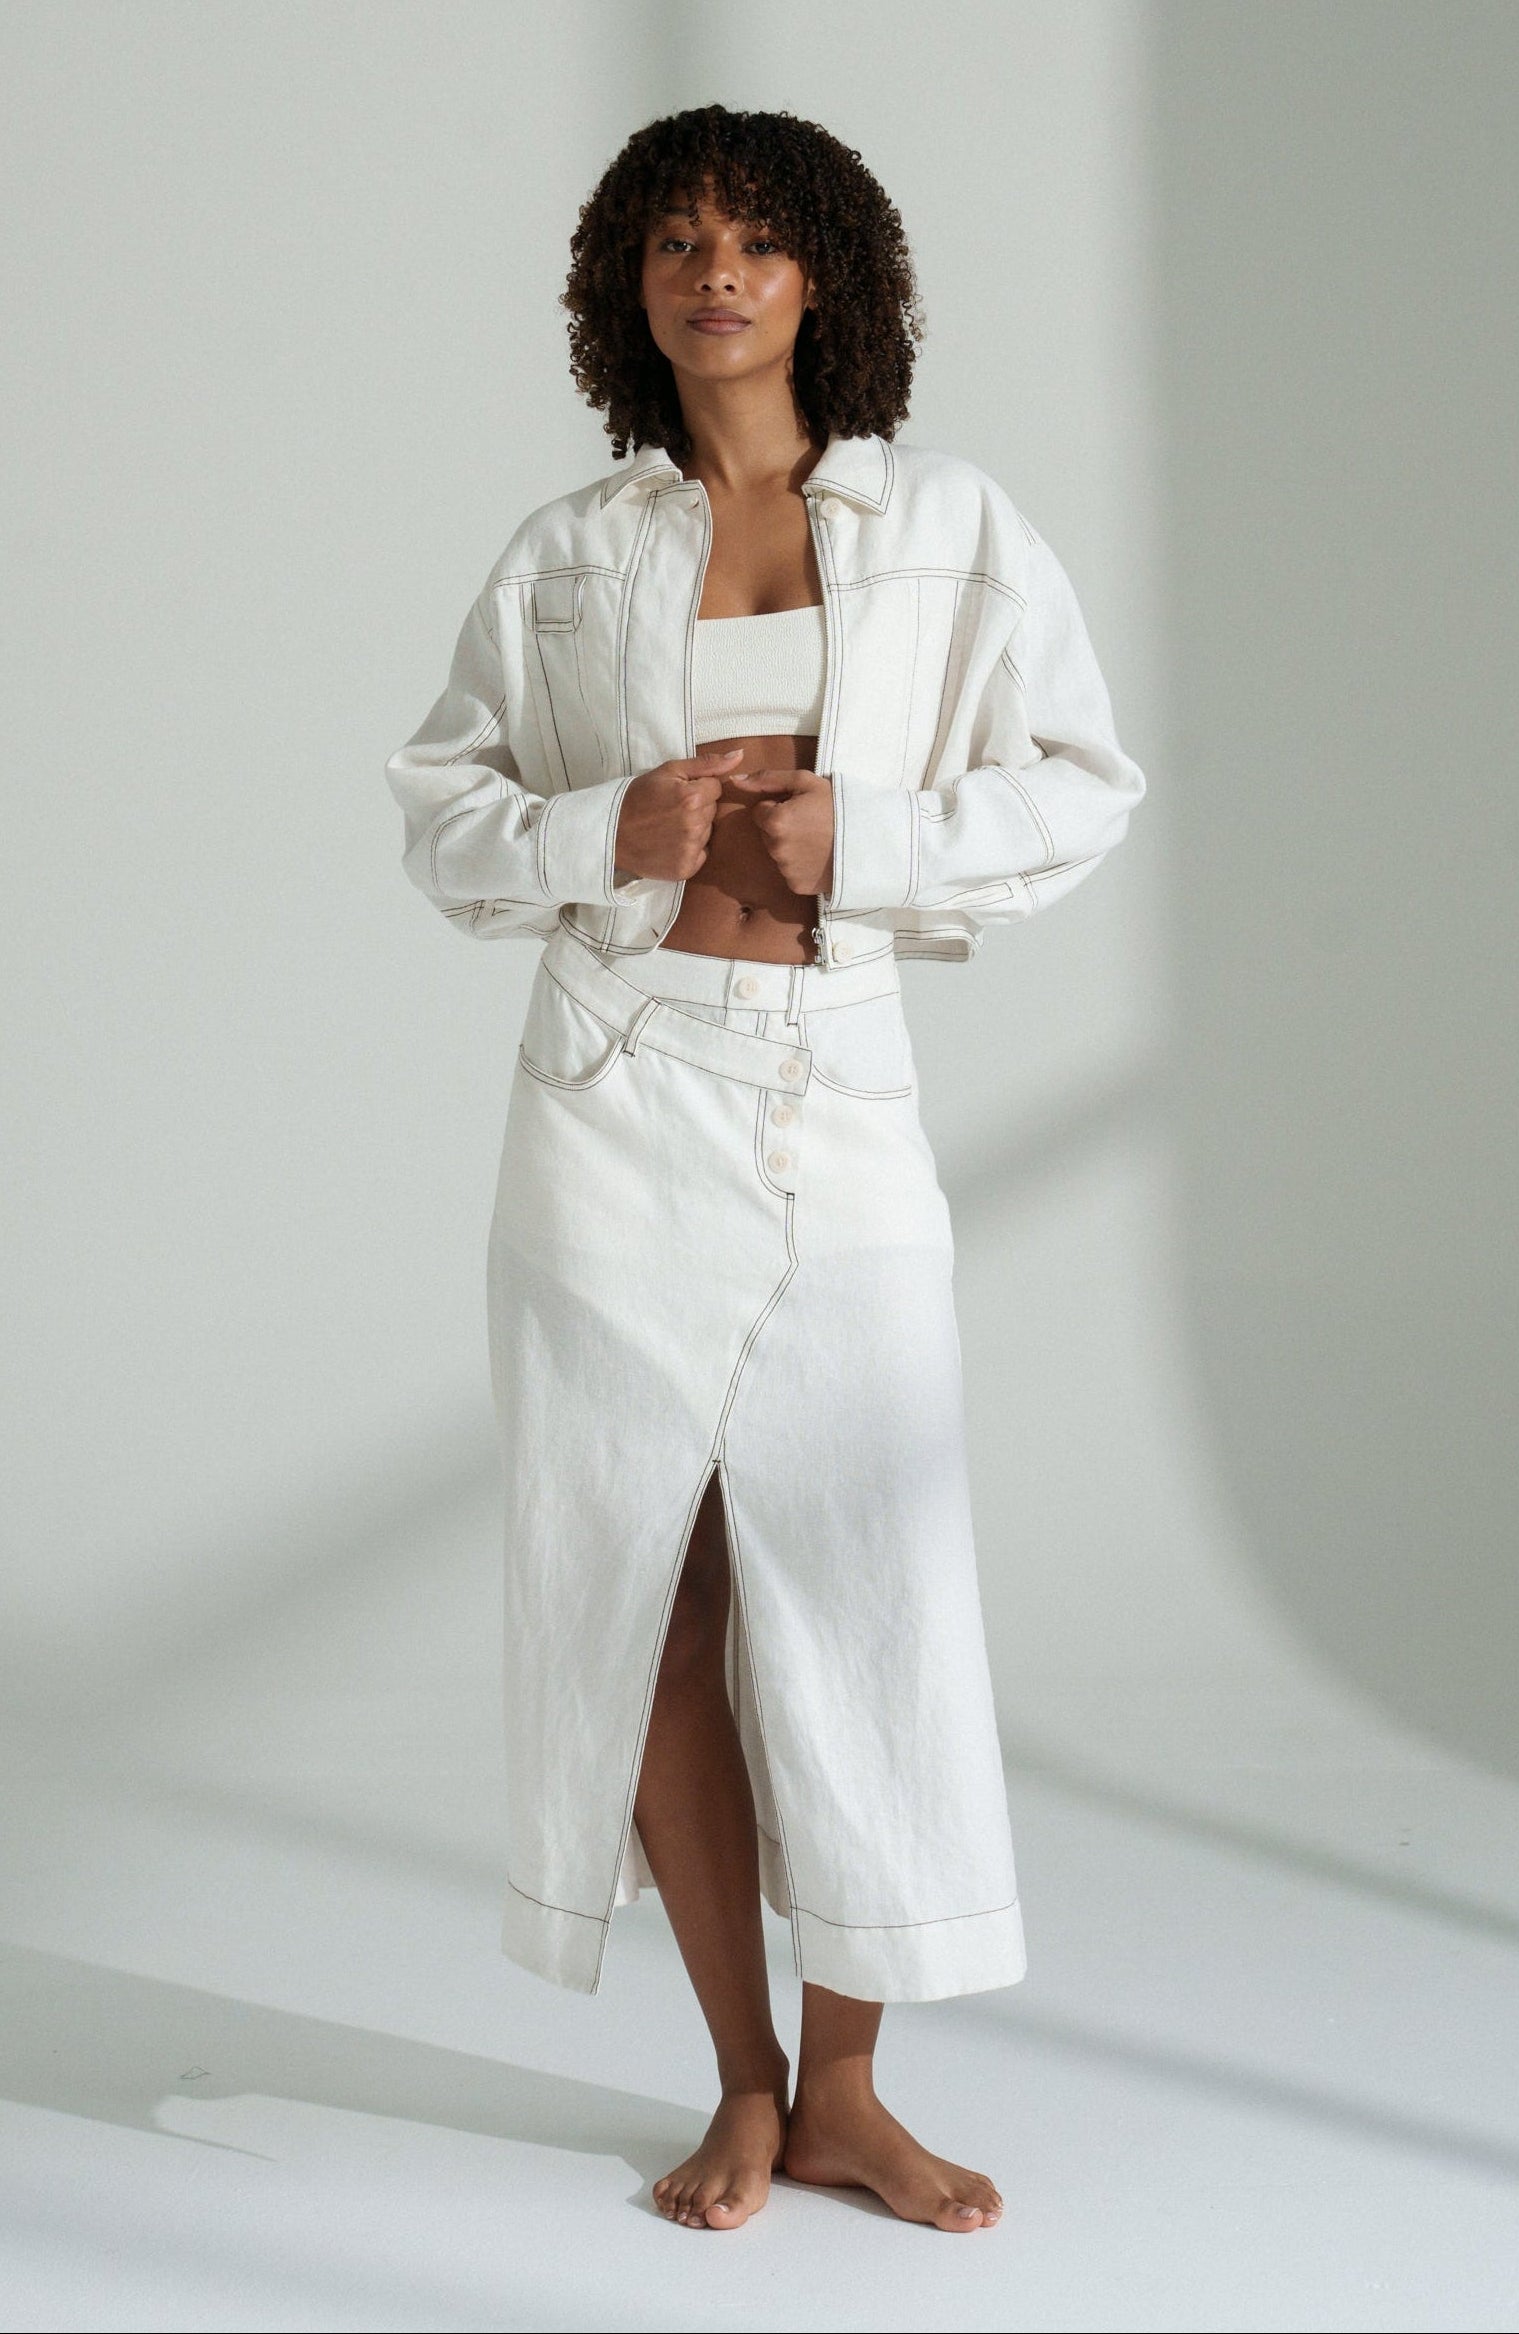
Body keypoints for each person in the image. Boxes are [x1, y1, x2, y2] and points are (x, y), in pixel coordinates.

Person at [385, 103, 1146, 2235]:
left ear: (828, 277)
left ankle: (854, 2093)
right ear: (625, 293)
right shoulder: (567, 551)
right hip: (614, 1097)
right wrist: (598, 830)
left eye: (752, 241)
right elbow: (439, 807)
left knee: (864, 1585)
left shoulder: (950, 527)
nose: (711, 273)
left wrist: (873, 845)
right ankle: (741, 2083)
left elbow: (1086, 783)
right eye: (671, 245)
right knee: (645, 1582)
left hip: (837, 1095)